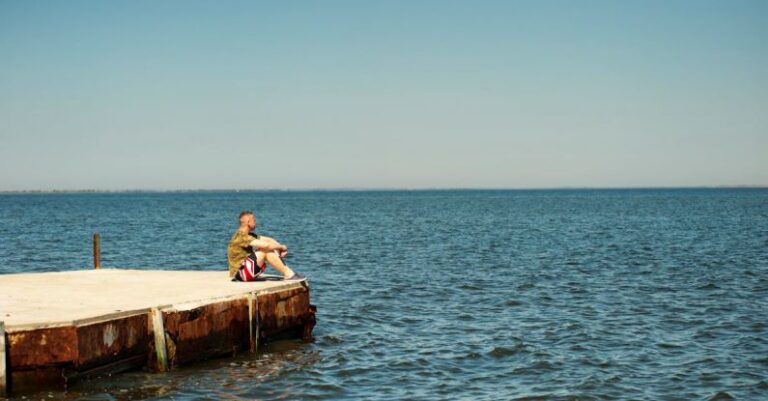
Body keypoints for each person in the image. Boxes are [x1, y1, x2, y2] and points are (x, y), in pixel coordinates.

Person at [228, 211, 304, 281]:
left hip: (244, 272)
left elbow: (269, 240)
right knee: (265, 250)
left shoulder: (248, 235)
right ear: (248, 222)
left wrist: (280, 249)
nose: (255, 222)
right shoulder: (240, 236)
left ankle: (289, 274)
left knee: (268, 247)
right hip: (239, 274)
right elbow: (267, 245)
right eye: (254, 220)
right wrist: (282, 247)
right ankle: (289, 274)